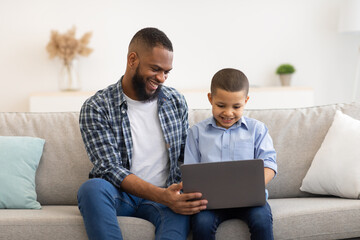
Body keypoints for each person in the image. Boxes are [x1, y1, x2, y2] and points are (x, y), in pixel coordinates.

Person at [77, 27, 207, 240]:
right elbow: (108, 168)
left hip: (166, 197)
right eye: (156, 69)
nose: (162, 78)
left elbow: (186, 157)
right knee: (91, 189)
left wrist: (176, 195)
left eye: (167, 71)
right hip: (121, 196)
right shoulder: (97, 106)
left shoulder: (175, 101)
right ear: (132, 59)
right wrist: (164, 197)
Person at [184, 68, 277, 240]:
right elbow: (191, 172)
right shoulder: (196, 133)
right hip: (210, 204)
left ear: (246, 101)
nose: (228, 113)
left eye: (236, 106)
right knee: (202, 224)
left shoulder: (257, 130)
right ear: (210, 99)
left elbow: (269, 165)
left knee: (261, 220)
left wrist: (251, 187)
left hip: (251, 201)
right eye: (221, 105)